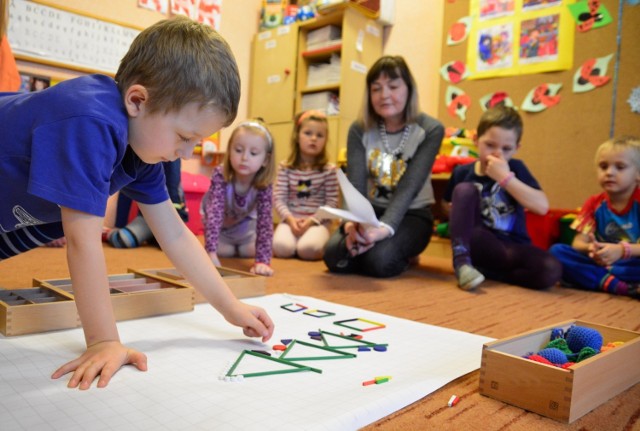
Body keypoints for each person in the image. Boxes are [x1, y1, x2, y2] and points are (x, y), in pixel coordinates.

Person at [0, 17, 274, 390]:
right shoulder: (90, 121)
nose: (185, 152)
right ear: (137, 101)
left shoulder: (142, 152)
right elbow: (82, 241)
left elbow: (174, 235)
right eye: (184, 136)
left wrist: (231, 308)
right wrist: (103, 341)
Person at [323, 55, 444, 278]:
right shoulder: (359, 129)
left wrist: (384, 229)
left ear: (409, 89)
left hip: (412, 213)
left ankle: (402, 253)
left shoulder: (431, 129)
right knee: (334, 256)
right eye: (376, 88)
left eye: (393, 86)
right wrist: (354, 226)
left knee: (378, 262)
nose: (384, 95)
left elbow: (410, 186)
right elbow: (356, 183)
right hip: (370, 211)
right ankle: (373, 247)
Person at [442, 106, 561, 291]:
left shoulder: (517, 168)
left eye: (506, 149)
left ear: (516, 148)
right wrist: (456, 211)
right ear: (476, 140)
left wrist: (505, 178)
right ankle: (462, 263)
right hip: (479, 241)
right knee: (464, 190)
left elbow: (542, 207)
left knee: (550, 269)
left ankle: (490, 274)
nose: (497, 153)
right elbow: (446, 204)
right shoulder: (462, 172)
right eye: (490, 145)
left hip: (512, 247)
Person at [550, 136, 640, 299]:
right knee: (557, 251)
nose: (609, 172)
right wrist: (591, 249)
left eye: (620, 167)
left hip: (631, 262)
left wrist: (621, 250)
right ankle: (619, 287)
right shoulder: (594, 203)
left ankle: (598, 280)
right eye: (603, 166)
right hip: (602, 262)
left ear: (638, 174)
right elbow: (578, 243)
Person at [203, 119, 276, 276]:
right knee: (224, 251)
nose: (244, 157)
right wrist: (211, 251)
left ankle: (240, 247)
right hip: (223, 232)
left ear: (266, 160)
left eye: (253, 153)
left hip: (245, 233)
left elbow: (265, 222)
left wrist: (262, 261)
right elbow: (214, 214)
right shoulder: (220, 175)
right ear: (229, 152)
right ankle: (228, 247)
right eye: (238, 150)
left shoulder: (264, 184)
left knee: (252, 250)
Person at [273, 110, 339, 260]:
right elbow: (279, 199)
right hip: (291, 220)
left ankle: (311, 241)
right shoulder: (285, 167)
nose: (314, 138)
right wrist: (290, 219)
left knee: (308, 250)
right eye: (308, 133)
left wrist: (312, 221)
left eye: (320, 135)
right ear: (297, 136)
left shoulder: (329, 170)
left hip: (317, 223)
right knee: (282, 248)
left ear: (325, 139)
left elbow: (332, 203)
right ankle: (295, 242)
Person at [107, 159, 189, 248]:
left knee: (172, 243)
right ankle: (151, 235)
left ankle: (154, 236)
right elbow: (126, 187)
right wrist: (119, 225)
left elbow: (174, 192)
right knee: (120, 240)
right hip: (147, 217)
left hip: (169, 216)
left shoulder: (172, 158)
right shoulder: (138, 158)